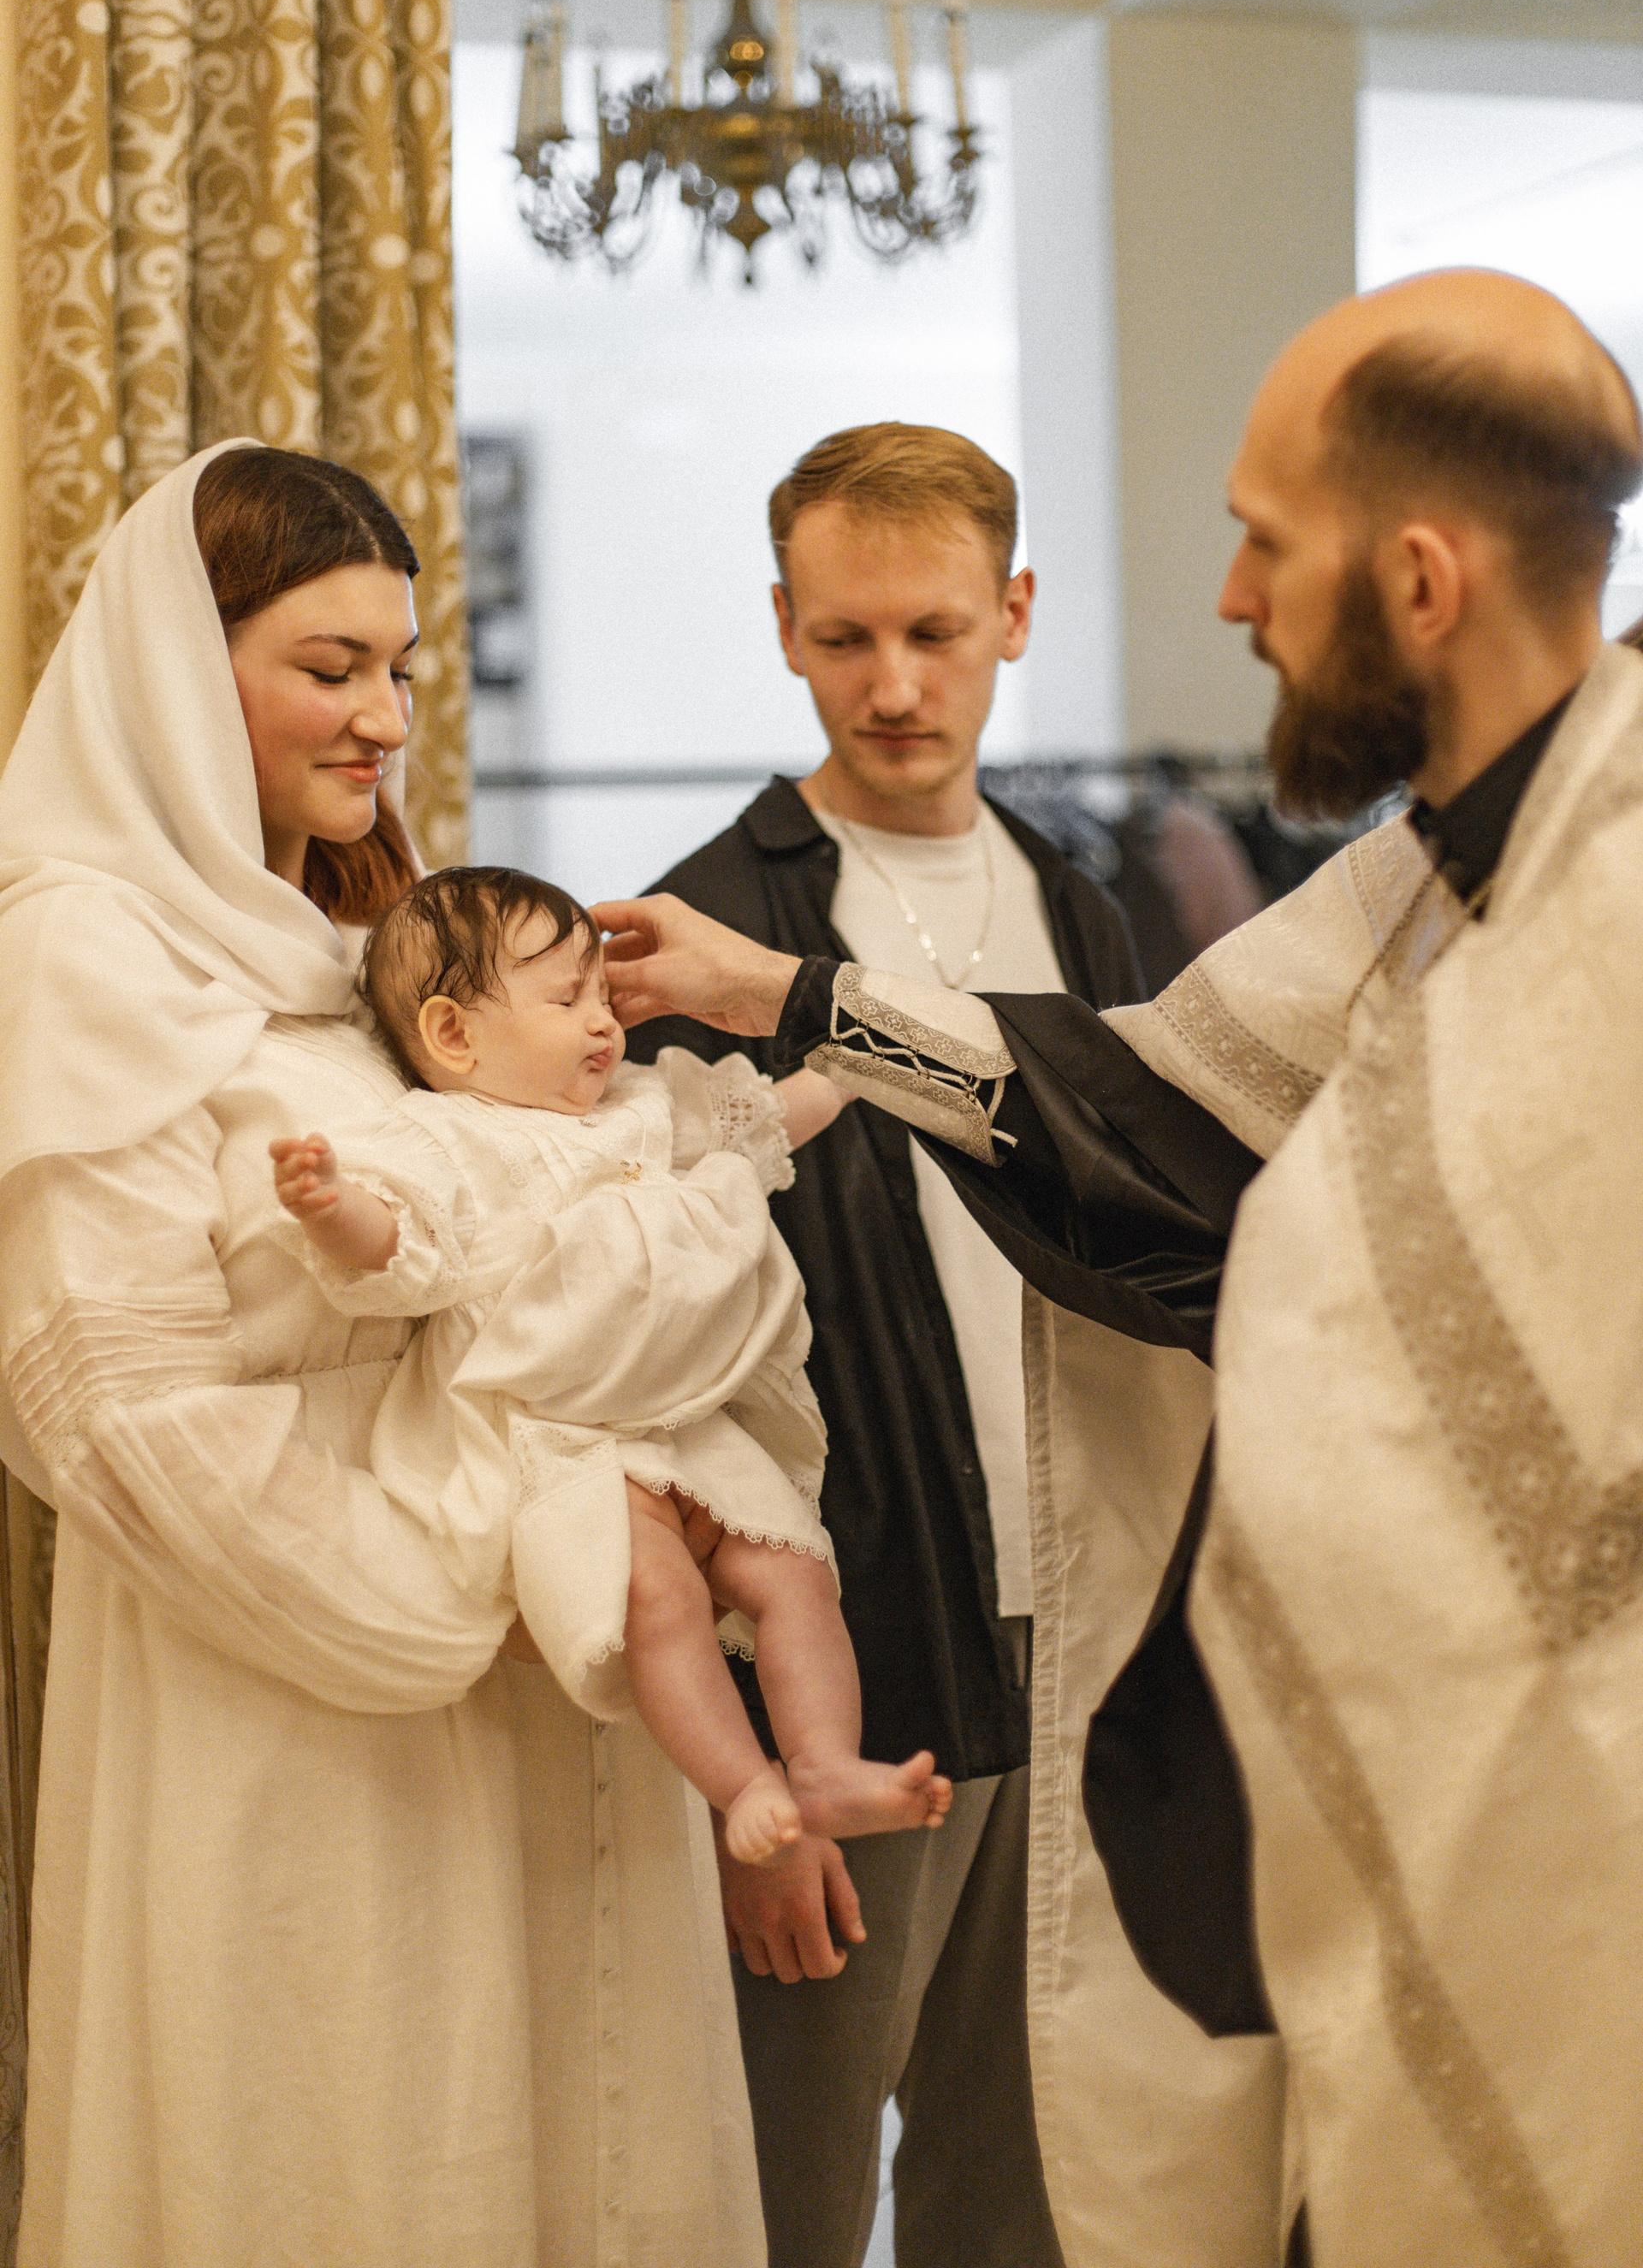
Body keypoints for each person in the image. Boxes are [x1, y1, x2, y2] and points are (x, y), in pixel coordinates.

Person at [595, 269, 1643, 2265]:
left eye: (1263, 540)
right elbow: (1146, 1117)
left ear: (1418, 580)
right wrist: (794, 995)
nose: (1231, 600)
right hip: (916, 1641)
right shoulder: (1418, 877)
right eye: (847, 635)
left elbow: (1168, 1167)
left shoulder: (1572, 880)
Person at [0, 443, 767, 2267]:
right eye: (328, 668)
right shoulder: (79, 960)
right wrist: (462, 1592)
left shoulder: (387, 946)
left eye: (402, 668)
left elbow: (580, 1231)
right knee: (352, 2154)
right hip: (304, 1706)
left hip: (551, 1653)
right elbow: (117, 1415)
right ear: (182, 674)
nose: (385, 719)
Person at [624, 423, 1285, 2268]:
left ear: (1016, 614)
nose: (895, 686)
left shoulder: (1085, 904)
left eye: (933, 632)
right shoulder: (711, 918)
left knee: (1037, 2180)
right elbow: (660, 1349)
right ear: (784, 627)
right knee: (795, 2181)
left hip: (1085, 1617)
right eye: (846, 639)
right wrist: (759, 1769)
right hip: (852, 1634)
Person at [270, 863, 952, 1862]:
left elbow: (763, 1121)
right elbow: (400, 1249)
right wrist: (335, 1208)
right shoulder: (447, 1142)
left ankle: (824, 1763)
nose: (603, 1021)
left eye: (601, 992)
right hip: (566, 1437)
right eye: (566, 1000)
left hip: (689, 1418)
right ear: (453, 1035)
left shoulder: (641, 1102)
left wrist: (855, 1065)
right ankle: (743, 1784)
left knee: (797, 1573)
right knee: (659, 1599)